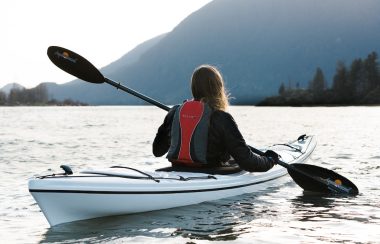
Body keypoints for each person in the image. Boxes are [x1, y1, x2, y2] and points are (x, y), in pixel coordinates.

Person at [153, 64, 278, 172]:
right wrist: (270, 160)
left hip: (178, 169)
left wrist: (170, 121)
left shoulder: (174, 112)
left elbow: (157, 151)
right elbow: (248, 162)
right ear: (218, 88)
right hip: (211, 171)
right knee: (233, 158)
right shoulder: (222, 118)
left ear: (193, 88)